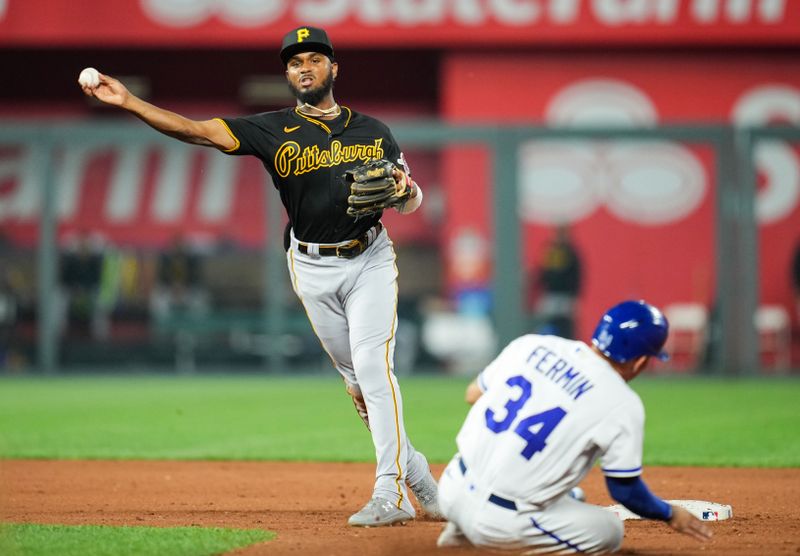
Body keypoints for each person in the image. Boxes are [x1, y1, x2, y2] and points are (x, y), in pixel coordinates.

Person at [79, 26, 440, 527]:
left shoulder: (373, 130)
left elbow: (412, 198)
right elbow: (197, 130)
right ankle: (418, 474)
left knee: (375, 368)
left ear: (334, 68)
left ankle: (392, 491)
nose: (304, 68)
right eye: (295, 62)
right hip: (310, 266)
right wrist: (130, 102)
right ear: (287, 74)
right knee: (359, 385)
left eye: (315, 59)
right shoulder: (271, 129)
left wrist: (404, 190)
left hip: (369, 260)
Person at [436, 300, 713, 553]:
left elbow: (473, 394)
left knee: (571, 494)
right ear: (640, 361)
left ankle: (459, 532)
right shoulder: (621, 402)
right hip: (500, 524)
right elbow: (624, 491)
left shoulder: (533, 344)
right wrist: (670, 513)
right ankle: (485, 538)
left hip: (450, 488)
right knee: (609, 531)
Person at [530, 224, 582, 339]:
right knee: (544, 322)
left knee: (566, 326)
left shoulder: (571, 252)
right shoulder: (550, 250)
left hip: (565, 297)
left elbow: (576, 275)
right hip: (550, 295)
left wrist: (573, 296)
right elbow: (543, 272)